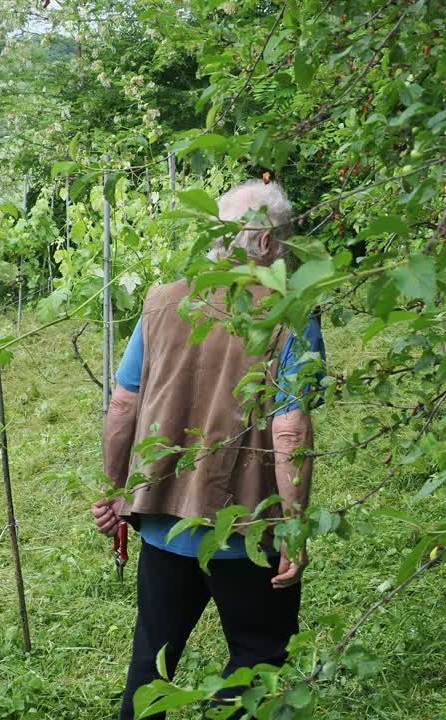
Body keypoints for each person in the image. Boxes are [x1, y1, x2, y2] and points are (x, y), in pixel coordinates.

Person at [91, 179, 325, 720]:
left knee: (151, 666)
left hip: (162, 522)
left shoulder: (163, 301)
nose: (287, 252)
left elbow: (123, 406)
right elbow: (290, 430)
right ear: (267, 245)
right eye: (285, 240)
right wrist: (292, 525)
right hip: (247, 528)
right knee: (258, 658)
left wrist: (115, 492)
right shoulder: (290, 316)